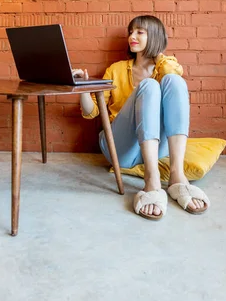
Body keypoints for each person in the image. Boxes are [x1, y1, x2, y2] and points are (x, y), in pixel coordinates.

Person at [73, 15, 210, 221]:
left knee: (174, 81)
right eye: (131, 32)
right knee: (149, 86)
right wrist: (82, 87)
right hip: (122, 148)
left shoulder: (166, 65)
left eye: (140, 32)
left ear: (154, 36)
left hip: (158, 149)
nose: (132, 37)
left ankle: (177, 176)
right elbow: (91, 112)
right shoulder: (116, 69)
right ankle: (152, 179)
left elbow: (174, 78)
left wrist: (158, 61)